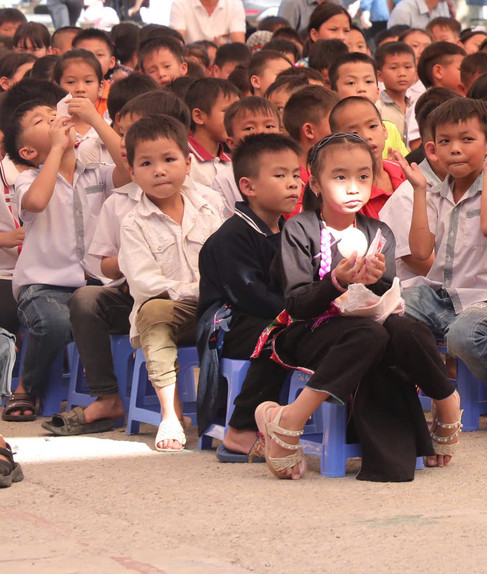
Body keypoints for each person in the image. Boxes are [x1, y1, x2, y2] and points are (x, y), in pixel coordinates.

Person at [253, 132, 463, 481]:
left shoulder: (378, 229)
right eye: (340, 177)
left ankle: (447, 402)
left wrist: (375, 278)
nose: (354, 186)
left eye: (363, 176)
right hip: (310, 330)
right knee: (369, 335)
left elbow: (384, 294)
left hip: (368, 328)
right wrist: (335, 281)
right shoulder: (299, 229)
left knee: (409, 329)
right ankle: (290, 419)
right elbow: (296, 302)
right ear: (316, 183)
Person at [383, 98, 487, 415]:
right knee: (386, 317)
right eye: (446, 142)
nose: (455, 149)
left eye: (467, 140)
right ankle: (435, 393)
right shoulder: (437, 189)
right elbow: (422, 251)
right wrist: (421, 191)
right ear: (432, 149)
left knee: (464, 337)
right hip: (440, 295)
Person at [1, 82, 130, 422]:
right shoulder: (28, 179)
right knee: (54, 324)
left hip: (94, 286)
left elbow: (131, 170)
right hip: (44, 286)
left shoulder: (97, 174)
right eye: (42, 122)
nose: (55, 119)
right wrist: (58, 149)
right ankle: (26, 387)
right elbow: (36, 202)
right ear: (28, 151)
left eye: (52, 112)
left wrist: (96, 121)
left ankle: (109, 392)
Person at [118, 115, 226, 452]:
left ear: (188, 162)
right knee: (154, 311)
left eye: (169, 160)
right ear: (133, 173)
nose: (159, 170)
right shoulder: (133, 222)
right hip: (170, 312)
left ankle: (238, 412)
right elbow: (145, 283)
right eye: (146, 163)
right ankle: (170, 413)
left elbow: (226, 258)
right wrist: (196, 291)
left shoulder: (210, 204)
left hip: (216, 307)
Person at [196, 133, 302, 460]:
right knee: (280, 335)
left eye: (296, 175)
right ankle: (241, 430)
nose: (293, 184)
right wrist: (299, 312)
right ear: (248, 186)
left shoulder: (291, 231)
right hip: (230, 324)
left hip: (274, 315)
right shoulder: (232, 237)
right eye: (280, 175)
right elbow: (250, 295)